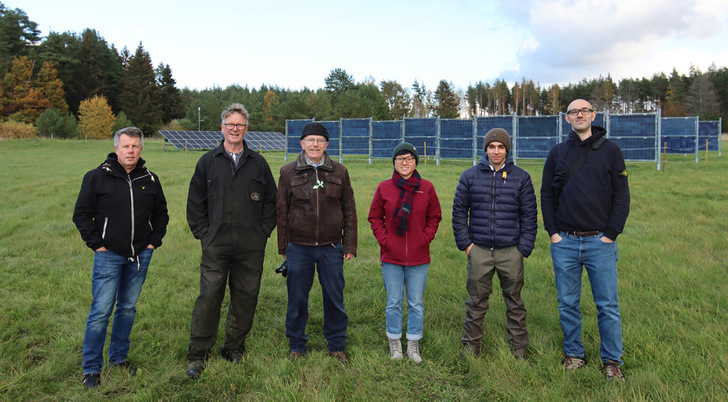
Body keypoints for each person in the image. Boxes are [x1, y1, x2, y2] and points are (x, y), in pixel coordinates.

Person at [185, 103, 277, 379]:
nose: (235, 129)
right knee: (209, 295)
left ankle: (234, 347)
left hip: (250, 245)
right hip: (216, 244)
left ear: (246, 129)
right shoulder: (208, 161)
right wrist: (204, 233)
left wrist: (263, 231)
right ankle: (198, 354)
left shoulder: (258, 163)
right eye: (230, 124)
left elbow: (271, 201)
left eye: (240, 124)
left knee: (246, 296)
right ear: (222, 128)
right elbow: (195, 202)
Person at [541, 99, 630, 382]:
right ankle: (574, 355)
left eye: (584, 111)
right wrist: (553, 233)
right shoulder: (558, 153)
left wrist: (610, 234)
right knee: (567, 303)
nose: (579, 115)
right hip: (564, 242)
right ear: (566, 119)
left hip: (599, 243)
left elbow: (621, 196)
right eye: (573, 112)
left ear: (593, 115)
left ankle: (612, 361)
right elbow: (546, 195)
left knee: (607, 305)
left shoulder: (611, 151)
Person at [73, 127, 169, 388]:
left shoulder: (150, 179)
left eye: (135, 146)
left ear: (141, 148)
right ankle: (91, 368)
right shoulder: (96, 177)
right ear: (116, 149)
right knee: (101, 311)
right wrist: (98, 245)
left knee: (127, 309)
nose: (130, 151)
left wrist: (151, 243)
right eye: (126, 146)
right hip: (108, 255)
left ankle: (118, 359)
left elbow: (162, 215)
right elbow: (81, 214)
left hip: (140, 256)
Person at [452, 128, 537, 360]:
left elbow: (529, 216)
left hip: (511, 251)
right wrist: (467, 245)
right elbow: (459, 212)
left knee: (515, 301)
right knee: (476, 301)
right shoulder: (469, 176)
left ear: (507, 150)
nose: (496, 151)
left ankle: (519, 348)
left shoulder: (521, 177)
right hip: (479, 250)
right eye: (492, 147)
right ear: (485, 149)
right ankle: (471, 347)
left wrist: (523, 249)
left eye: (500, 147)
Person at [276, 122, 357, 363]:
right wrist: (284, 248)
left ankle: (336, 345)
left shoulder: (340, 172)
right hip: (298, 247)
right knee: (297, 298)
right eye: (310, 140)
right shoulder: (288, 172)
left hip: (331, 247)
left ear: (326, 145)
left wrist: (349, 245)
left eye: (319, 140)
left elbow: (349, 210)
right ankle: (297, 344)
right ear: (301, 144)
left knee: (334, 297)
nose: (314, 144)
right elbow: (281, 211)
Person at [368, 143, 442, 363]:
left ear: (416, 162)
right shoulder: (384, 188)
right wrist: (385, 240)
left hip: (419, 257)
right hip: (391, 256)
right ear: (394, 162)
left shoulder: (427, 188)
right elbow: (374, 218)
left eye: (409, 158)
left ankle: (413, 342)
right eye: (400, 159)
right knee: (393, 300)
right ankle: (395, 341)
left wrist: (424, 238)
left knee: (415, 302)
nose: (404, 163)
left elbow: (435, 217)